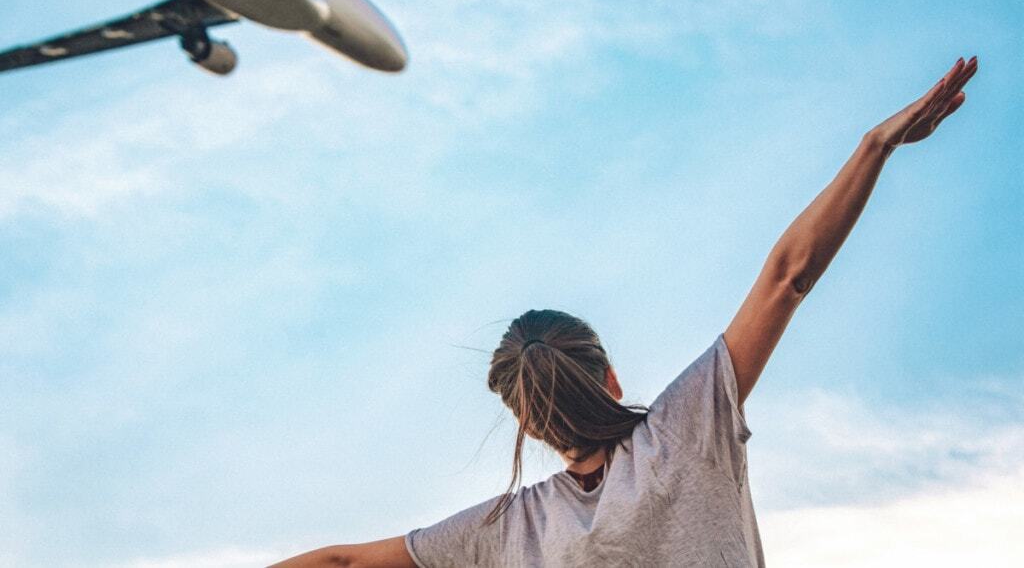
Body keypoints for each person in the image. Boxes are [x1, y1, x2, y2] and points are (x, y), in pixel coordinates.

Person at [269, 56, 978, 567]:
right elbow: (787, 276)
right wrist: (872, 148)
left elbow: (341, 563)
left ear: (528, 420)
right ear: (608, 376)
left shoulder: (503, 533)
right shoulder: (686, 430)